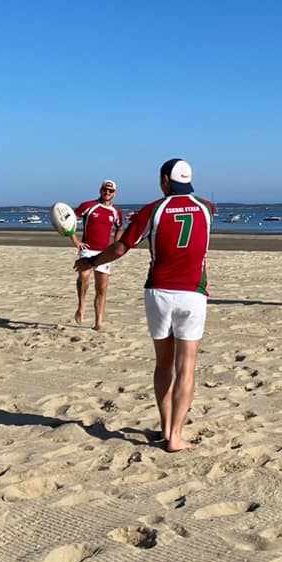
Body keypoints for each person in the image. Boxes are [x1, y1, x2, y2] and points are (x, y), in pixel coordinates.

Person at [77, 157, 213, 453]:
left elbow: (122, 247)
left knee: (163, 363)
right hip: (192, 293)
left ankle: (166, 429)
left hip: (159, 292)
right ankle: (175, 435)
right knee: (186, 366)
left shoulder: (154, 210)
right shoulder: (207, 208)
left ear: (165, 179)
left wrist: (92, 260)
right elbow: (200, 249)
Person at [72, 180, 122, 330]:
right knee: (84, 275)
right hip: (87, 249)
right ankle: (82, 304)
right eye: (105, 189)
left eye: (110, 191)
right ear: (100, 190)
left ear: (114, 193)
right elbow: (69, 222)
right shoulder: (88, 206)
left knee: (102, 287)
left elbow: (120, 228)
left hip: (104, 253)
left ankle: (98, 322)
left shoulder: (116, 212)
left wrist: (116, 244)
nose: (107, 193)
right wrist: (76, 240)